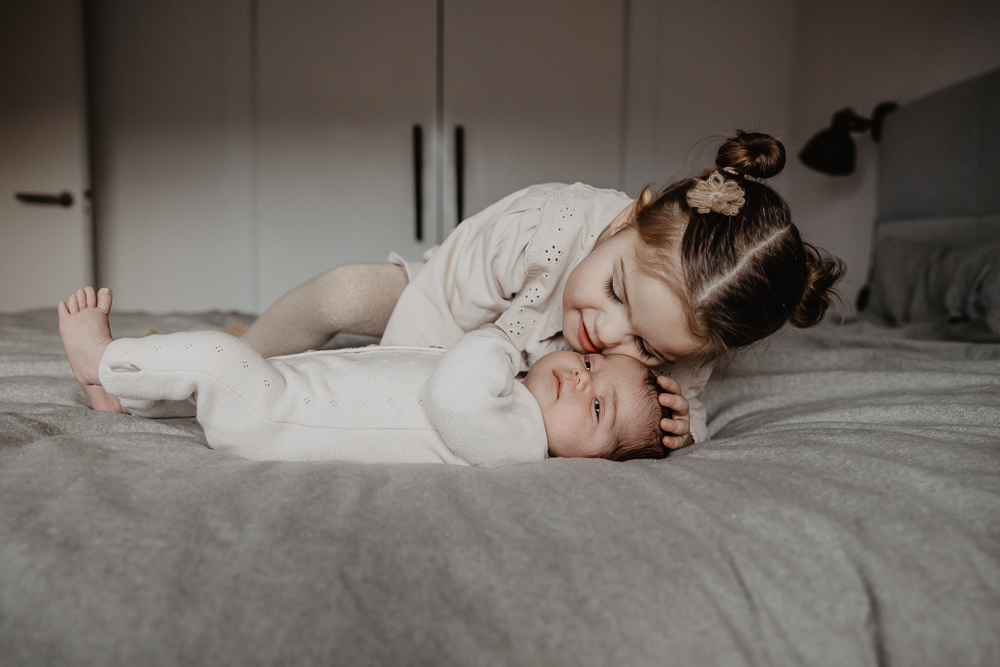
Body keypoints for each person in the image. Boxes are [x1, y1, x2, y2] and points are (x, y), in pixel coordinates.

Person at [237, 131, 845, 447]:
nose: (606, 333)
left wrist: (685, 430)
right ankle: (246, 344)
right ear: (629, 218)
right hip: (452, 312)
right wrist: (402, 387)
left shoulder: (688, 336)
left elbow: (658, 414)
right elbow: (440, 302)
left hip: (522, 372)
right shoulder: (542, 228)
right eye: (615, 291)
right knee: (342, 294)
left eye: (649, 349)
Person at [58, 287, 673, 467]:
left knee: (220, 358)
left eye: (598, 412)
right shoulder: (514, 394)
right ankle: (121, 400)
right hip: (297, 390)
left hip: (283, 422)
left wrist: (499, 338)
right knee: (218, 384)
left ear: (593, 461)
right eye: (591, 365)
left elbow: (452, 394)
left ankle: (104, 358)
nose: (582, 381)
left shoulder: (518, 439)